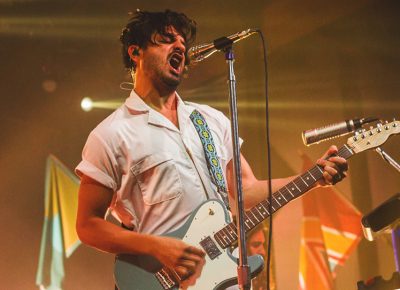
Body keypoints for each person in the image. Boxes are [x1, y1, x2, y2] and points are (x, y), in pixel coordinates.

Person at [75, 9, 348, 289]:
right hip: (163, 280)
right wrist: (158, 247)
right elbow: (87, 225)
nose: (179, 46)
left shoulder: (211, 120)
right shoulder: (110, 134)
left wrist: (313, 178)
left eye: (182, 42)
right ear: (136, 52)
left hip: (222, 279)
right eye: (167, 40)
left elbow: (245, 190)